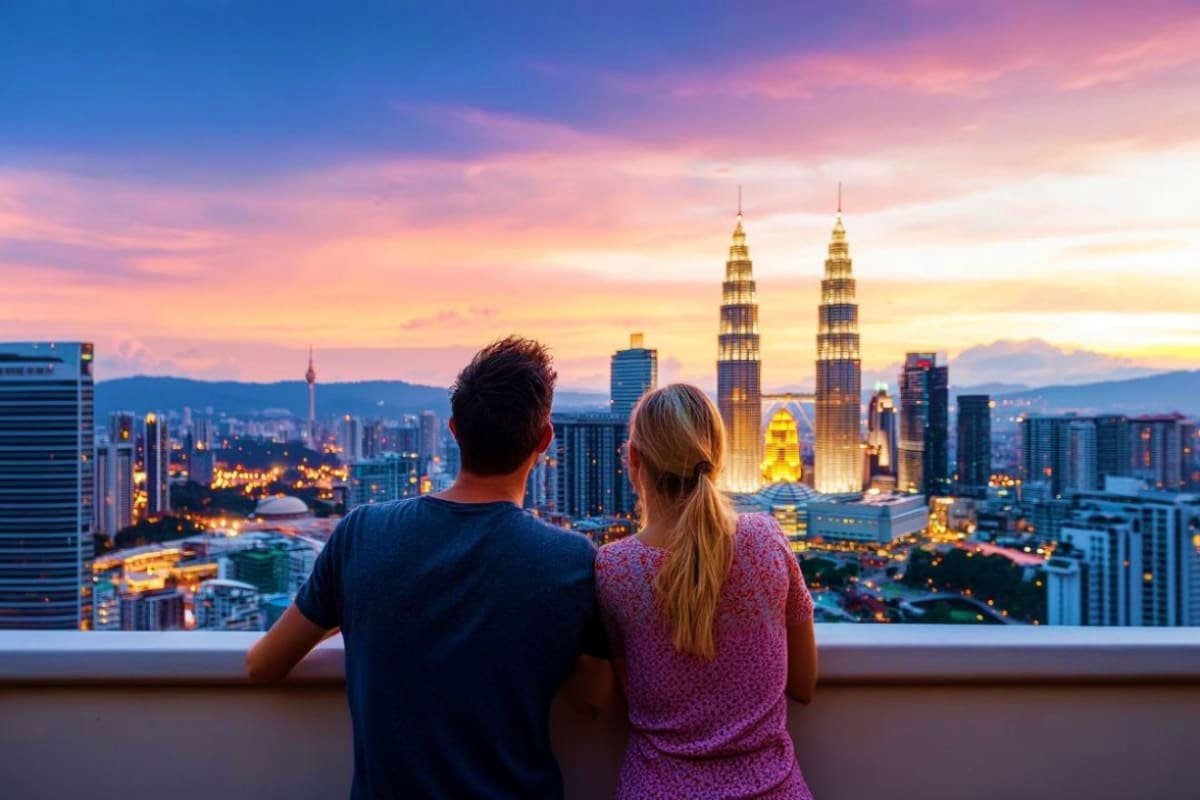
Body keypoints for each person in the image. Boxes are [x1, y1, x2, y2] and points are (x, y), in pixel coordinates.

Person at [246, 336, 610, 799]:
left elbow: (263, 664)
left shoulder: (362, 535)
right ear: (545, 438)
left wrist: (360, 617)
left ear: (455, 430)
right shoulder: (570, 561)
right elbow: (594, 701)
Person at [595, 383, 818, 799]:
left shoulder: (615, 568)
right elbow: (803, 685)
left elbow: (630, 695)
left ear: (634, 459)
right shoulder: (766, 539)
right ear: (716, 457)